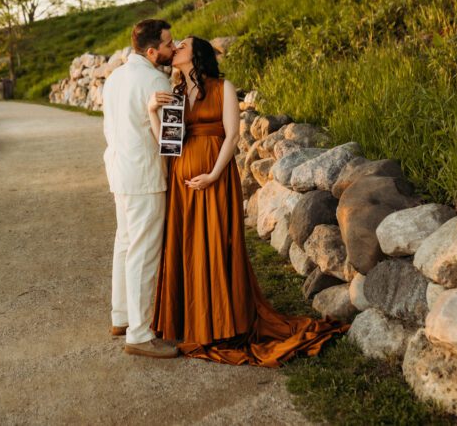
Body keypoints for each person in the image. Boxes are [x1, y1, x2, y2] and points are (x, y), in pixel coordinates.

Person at [148, 36, 348, 367]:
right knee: (189, 245)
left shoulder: (223, 87)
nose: (175, 49)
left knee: (217, 242)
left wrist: (213, 174)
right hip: (184, 179)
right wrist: (152, 112)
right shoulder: (178, 93)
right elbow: (168, 145)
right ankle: (194, 320)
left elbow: (231, 136)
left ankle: (224, 319)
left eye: (181, 45)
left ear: (196, 55)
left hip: (215, 176)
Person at [101, 19, 180, 359]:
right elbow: (172, 141)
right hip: (145, 175)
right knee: (144, 253)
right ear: (152, 51)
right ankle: (140, 333)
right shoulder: (156, 81)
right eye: (168, 44)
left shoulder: (116, 76)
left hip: (119, 171)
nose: (173, 48)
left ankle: (121, 316)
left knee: (125, 242)